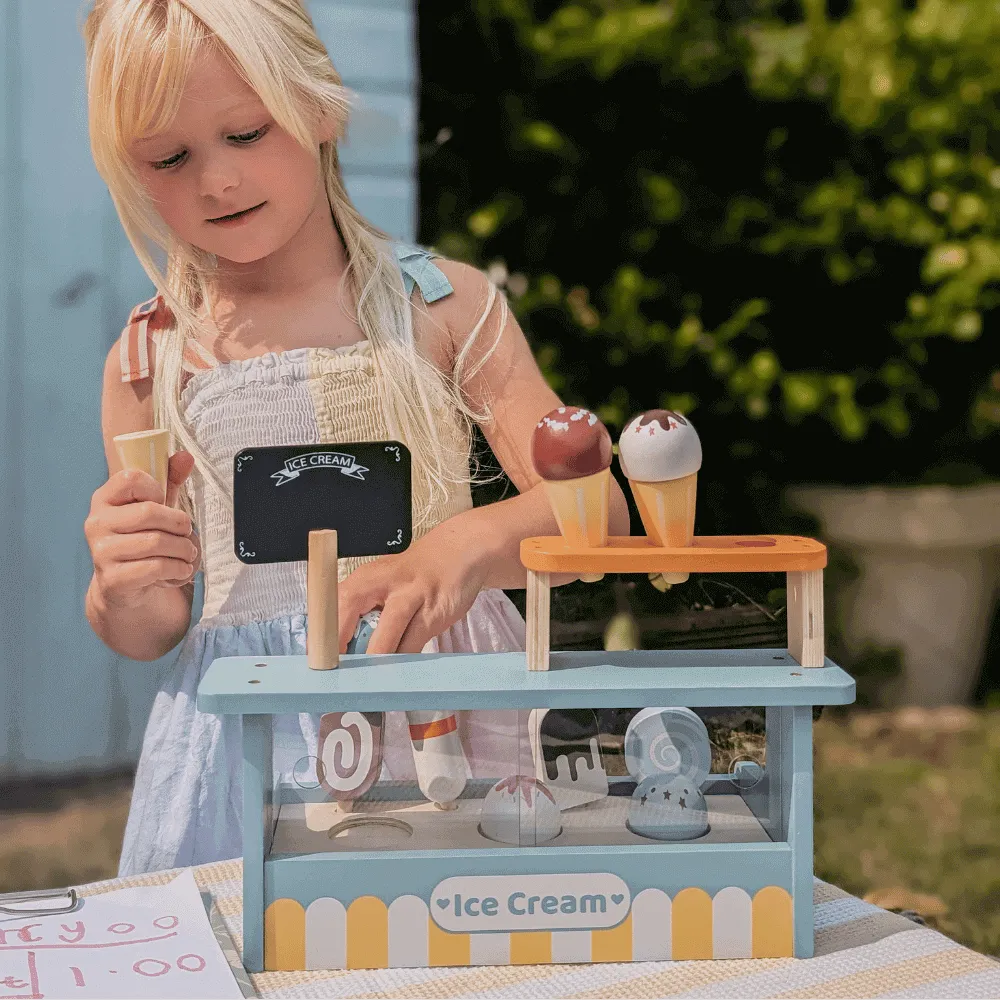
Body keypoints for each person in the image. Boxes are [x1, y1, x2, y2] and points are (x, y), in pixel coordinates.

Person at [80, 0, 629, 875]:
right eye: (171, 157)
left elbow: (602, 509)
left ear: (320, 106)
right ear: (131, 173)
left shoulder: (440, 307)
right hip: (248, 741)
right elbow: (154, 628)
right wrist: (121, 584)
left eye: (247, 132)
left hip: (444, 714)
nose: (217, 181)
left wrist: (467, 543)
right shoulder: (150, 361)